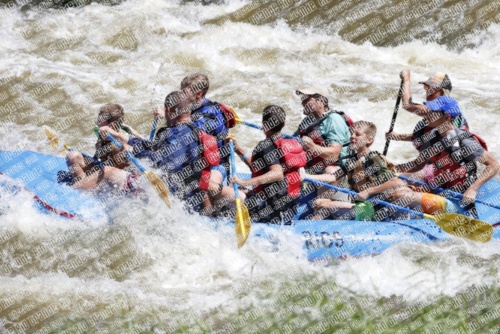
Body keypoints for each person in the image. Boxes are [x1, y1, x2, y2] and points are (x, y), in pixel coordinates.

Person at [101, 91, 243, 214]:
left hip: (180, 203)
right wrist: (123, 137)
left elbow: (162, 162)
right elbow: (155, 147)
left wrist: (133, 150)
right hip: (191, 195)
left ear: (169, 110)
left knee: (107, 171)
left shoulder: (176, 134)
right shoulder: (195, 129)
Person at [394, 97, 499, 213]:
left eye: (432, 112)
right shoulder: (432, 136)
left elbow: (494, 164)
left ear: (447, 117)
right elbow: (418, 165)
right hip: (436, 187)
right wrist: (393, 170)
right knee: (394, 182)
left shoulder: (464, 141)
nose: (427, 113)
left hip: (456, 199)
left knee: (400, 194)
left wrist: (472, 190)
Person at [302, 121, 407, 220]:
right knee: (321, 204)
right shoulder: (353, 159)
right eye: (352, 133)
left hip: (374, 208)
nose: (352, 136)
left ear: (369, 140)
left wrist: (368, 191)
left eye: (357, 134)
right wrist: (306, 176)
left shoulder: (374, 158)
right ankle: (310, 231)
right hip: (359, 203)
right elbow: (333, 177)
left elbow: (395, 181)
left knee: (324, 204)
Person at [385, 71, 472, 177]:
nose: (427, 91)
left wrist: (406, 79)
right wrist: (398, 137)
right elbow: (429, 135)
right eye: (426, 87)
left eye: (431, 88)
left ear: (442, 91)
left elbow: (407, 105)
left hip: (454, 162)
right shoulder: (444, 110)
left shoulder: (441, 110)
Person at [231, 105, 307, 224]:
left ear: (264, 124)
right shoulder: (289, 143)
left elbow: (277, 173)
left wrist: (244, 182)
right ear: (284, 123)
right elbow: (260, 167)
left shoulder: (265, 146)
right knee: (243, 189)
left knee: (226, 192)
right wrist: (238, 149)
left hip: (268, 208)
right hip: (289, 208)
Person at [58, 104, 140, 193]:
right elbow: (123, 125)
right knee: (73, 156)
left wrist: (128, 149)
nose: (96, 123)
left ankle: (80, 189)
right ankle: (84, 190)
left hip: (118, 178)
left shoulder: (123, 141)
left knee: (107, 169)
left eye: (100, 121)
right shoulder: (99, 131)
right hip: (102, 171)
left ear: (112, 126)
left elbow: (136, 143)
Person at [293, 85, 353, 175]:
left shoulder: (334, 120)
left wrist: (312, 147)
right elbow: (291, 141)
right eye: (302, 99)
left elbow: (334, 154)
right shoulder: (307, 121)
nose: (302, 102)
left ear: (321, 101)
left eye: (306, 99)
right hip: (312, 166)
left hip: (338, 169)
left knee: (330, 171)